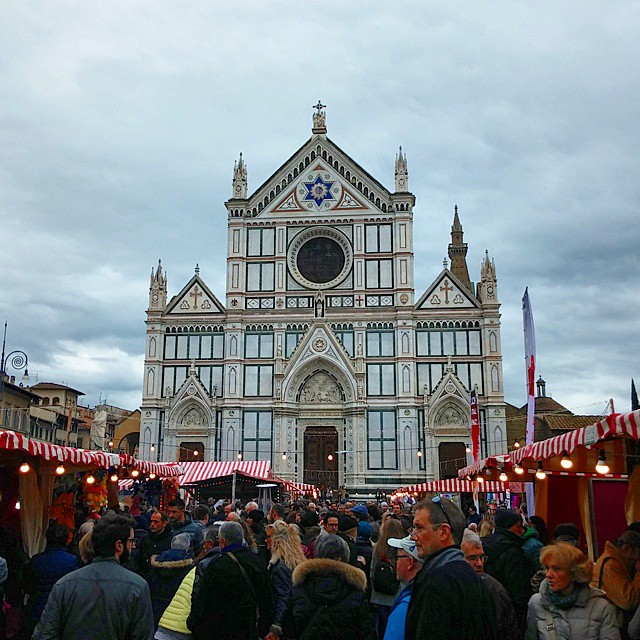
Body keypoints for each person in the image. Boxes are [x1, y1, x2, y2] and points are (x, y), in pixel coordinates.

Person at [33, 513, 154, 640]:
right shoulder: (137, 587)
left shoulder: (64, 584)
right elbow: (143, 635)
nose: (133, 545)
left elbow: (45, 633)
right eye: (130, 541)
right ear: (119, 545)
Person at [405, 495, 496, 640]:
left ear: (443, 532)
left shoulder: (436, 583)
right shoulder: (475, 579)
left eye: (419, 528)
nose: (413, 536)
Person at [188, 521, 275, 640]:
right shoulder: (258, 562)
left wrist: (194, 625)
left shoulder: (217, 565)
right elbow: (267, 598)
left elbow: (205, 600)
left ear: (223, 541)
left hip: (223, 628)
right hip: (249, 628)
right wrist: (264, 628)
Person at [282, 532, 373, 639]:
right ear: (345, 557)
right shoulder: (355, 591)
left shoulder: (300, 588)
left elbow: (288, 627)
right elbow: (366, 631)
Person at [526, 542, 620, 640]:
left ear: (574, 573)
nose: (548, 574)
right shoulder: (537, 603)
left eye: (556, 569)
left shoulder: (601, 607)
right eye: (547, 568)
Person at [483, 508, 535, 636]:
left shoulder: (483, 545)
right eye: (519, 526)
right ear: (512, 527)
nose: (522, 530)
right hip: (509, 615)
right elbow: (519, 591)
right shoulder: (513, 552)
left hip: (486, 611)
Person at [23, 524, 81, 636]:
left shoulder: (36, 560)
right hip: (62, 611)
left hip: (37, 608)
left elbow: (27, 586)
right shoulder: (73, 561)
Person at [462, 529, 518, 638]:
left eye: (481, 557)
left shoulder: (495, 589)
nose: (479, 563)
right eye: (472, 558)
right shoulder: (448, 588)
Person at [265, 522, 306, 640]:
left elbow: (282, 597)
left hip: (285, 623)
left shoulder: (280, 567)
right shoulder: (295, 562)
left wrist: (275, 626)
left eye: (269, 537)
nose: (266, 540)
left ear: (277, 540)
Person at [592, 530, 640, 624]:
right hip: (611, 624)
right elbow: (628, 601)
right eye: (638, 556)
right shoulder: (610, 565)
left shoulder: (615, 562)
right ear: (627, 549)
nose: (635, 562)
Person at [149, 532, 195, 627]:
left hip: (154, 606)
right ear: (187, 547)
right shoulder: (189, 567)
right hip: (176, 612)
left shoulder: (156, 562)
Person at [370, 516, 405, 639]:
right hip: (399, 594)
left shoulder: (378, 547)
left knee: (381, 629)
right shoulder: (403, 547)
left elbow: (372, 571)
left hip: (380, 596)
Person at [383, 536, 423, 640]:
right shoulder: (426, 593)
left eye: (397, 557)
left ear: (410, 562)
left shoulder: (406, 605)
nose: (395, 562)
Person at [138, 511, 174, 580]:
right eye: (151, 521)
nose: (152, 524)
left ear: (164, 523)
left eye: (156, 522)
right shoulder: (145, 539)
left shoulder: (171, 539)